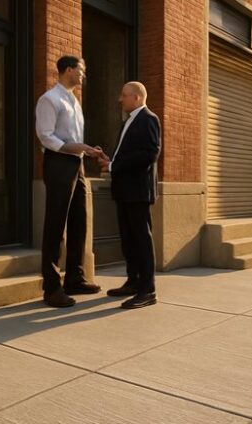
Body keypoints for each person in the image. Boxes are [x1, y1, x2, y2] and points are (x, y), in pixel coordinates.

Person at [35, 56, 102, 308]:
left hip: (78, 163)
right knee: (56, 224)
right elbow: (45, 136)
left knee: (79, 221)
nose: (84, 74)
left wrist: (85, 150)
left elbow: (74, 136)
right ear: (68, 70)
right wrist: (73, 147)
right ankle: (52, 288)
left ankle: (75, 278)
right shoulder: (49, 99)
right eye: (81, 70)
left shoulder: (74, 100)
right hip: (59, 162)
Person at [98, 82, 161, 309]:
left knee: (141, 240)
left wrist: (116, 166)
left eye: (124, 95)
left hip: (138, 192)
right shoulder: (129, 121)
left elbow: (150, 153)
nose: (120, 99)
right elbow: (128, 155)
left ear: (136, 97)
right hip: (124, 191)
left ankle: (148, 290)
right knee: (128, 239)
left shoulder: (148, 118)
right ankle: (133, 281)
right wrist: (110, 162)